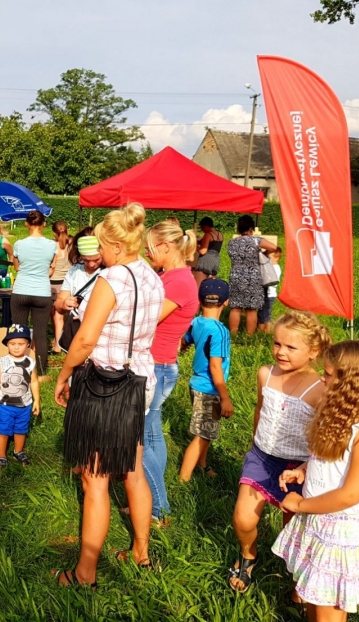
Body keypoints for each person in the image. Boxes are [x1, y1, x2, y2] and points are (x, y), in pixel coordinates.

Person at [53, 203, 164, 587]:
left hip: (106, 385)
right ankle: (141, 551)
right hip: (140, 380)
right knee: (133, 468)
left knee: (95, 478)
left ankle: (85, 572)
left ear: (116, 245)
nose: (98, 251)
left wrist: (63, 375)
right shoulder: (151, 275)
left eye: (101, 244)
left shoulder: (111, 280)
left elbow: (85, 339)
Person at [272, 341, 359, 620]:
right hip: (318, 518)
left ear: (352, 383)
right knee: (313, 598)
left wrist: (300, 505)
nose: (322, 378)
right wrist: (304, 469)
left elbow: (350, 494)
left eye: (328, 374)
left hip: (341, 530)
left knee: (328, 611)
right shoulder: (340, 413)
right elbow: (331, 459)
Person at [229, 310, 332, 593]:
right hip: (262, 458)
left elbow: (325, 432)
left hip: (298, 466)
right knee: (243, 518)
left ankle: (297, 573)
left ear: (313, 352)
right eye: (277, 343)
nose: (281, 352)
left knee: (294, 527)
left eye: (290, 347)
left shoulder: (320, 389)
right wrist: (255, 441)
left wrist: (309, 467)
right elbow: (260, 409)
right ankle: (248, 554)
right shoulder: (266, 373)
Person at [142, 221, 200, 523]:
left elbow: (147, 319)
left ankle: (157, 508)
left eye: (150, 248)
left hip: (156, 366)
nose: (146, 252)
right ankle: (150, 500)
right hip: (160, 364)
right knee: (151, 434)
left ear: (165, 247)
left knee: (137, 441)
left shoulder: (177, 282)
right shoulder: (172, 276)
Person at [178, 279, 233, 481]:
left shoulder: (196, 322)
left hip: (196, 384)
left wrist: (184, 346)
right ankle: (183, 479)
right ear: (226, 302)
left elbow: (185, 339)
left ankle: (202, 465)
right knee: (201, 436)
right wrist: (224, 397)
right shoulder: (220, 331)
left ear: (200, 300)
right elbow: (215, 366)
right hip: (209, 388)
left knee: (206, 431)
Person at [11, 210, 57, 377]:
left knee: (18, 332)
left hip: (21, 291)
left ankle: (17, 369)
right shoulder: (52, 245)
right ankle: (42, 373)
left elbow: (17, 268)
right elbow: (51, 270)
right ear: (44, 224)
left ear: (26, 224)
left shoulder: (19, 244)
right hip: (42, 292)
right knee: (40, 334)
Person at [0, 324, 41, 467]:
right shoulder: (3, 362)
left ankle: (18, 451)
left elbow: (34, 382)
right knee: (3, 429)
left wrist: (36, 400)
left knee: (21, 429)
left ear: (28, 344)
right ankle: (1, 455)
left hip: (24, 405)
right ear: (7, 344)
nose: (16, 347)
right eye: (12, 344)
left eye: (21, 344)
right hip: (5, 405)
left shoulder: (30, 363)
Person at [226, 215, 278, 335]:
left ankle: (233, 334)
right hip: (253, 278)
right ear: (251, 229)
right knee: (251, 309)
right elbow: (273, 247)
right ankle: (249, 336)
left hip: (236, 277)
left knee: (235, 308)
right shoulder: (256, 240)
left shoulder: (232, 243)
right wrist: (264, 253)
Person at [54, 231, 103, 326]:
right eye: (86, 260)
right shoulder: (74, 270)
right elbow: (59, 303)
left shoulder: (110, 271)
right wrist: (64, 304)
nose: (91, 264)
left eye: (96, 259)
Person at [50, 221, 73, 353]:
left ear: (54, 233)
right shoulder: (71, 245)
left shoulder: (52, 246)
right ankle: (57, 340)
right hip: (67, 284)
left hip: (53, 283)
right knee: (61, 316)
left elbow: (50, 267)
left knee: (55, 316)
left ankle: (58, 345)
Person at [193, 217, 224, 286]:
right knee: (210, 287)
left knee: (198, 285)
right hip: (215, 260)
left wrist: (195, 246)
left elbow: (203, 251)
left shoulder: (208, 235)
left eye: (202, 227)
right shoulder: (220, 234)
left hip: (205, 261)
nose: (202, 230)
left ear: (206, 226)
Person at [257, 247, 283, 333]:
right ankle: (265, 331)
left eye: (269, 257)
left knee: (263, 315)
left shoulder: (273, 268)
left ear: (276, 258)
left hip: (268, 294)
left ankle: (262, 332)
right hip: (270, 294)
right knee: (265, 314)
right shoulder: (275, 267)